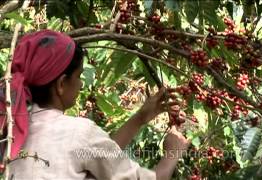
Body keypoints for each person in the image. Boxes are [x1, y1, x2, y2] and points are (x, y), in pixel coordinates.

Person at [1, 29, 190, 180]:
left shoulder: (14, 132)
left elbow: (95, 159)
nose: (81, 83)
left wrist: (141, 117)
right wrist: (173, 153)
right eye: (79, 76)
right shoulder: (79, 132)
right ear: (61, 84)